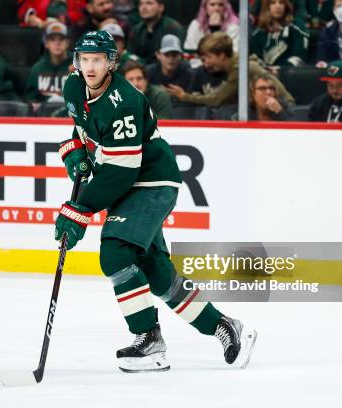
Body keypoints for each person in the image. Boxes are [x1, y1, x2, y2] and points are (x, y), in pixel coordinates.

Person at [56, 30, 257, 372]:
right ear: (77, 61)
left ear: (111, 63)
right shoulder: (73, 87)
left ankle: (148, 339)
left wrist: (81, 209)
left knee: (116, 250)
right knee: (157, 272)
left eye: (98, 60)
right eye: (85, 59)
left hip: (152, 181)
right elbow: (85, 129)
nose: (90, 67)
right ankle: (224, 326)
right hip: (128, 182)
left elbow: (121, 171)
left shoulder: (126, 101)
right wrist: (76, 149)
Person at [164, 32, 294, 107]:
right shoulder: (238, 63)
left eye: (207, 58)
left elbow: (217, 99)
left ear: (221, 55)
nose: (205, 63)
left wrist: (184, 96)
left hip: (282, 112)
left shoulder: (240, 69)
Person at [25, 21, 73, 111]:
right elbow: (31, 99)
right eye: (52, 39)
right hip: (45, 118)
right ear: (46, 44)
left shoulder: (79, 65)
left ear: (67, 43)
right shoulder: (38, 68)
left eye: (61, 39)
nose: (57, 43)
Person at [250, 0, 310, 69]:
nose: (278, 6)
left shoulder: (296, 28)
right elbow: (255, 59)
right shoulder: (258, 33)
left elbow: (298, 58)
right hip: (264, 76)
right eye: (273, 3)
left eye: (281, 3)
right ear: (267, 7)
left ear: (286, 6)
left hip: (290, 75)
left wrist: (279, 70)